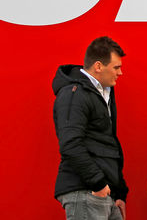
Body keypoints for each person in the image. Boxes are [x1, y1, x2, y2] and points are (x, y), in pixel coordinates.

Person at [52, 36, 129, 220]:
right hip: (86, 191)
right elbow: (70, 145)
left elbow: (107, 144)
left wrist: (118, 193)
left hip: (104, 194)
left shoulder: (104, 94)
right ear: (98, 66)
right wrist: (98, 185)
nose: (120, 73)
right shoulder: (75, 94)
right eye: (116, 67)